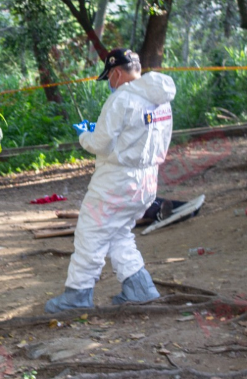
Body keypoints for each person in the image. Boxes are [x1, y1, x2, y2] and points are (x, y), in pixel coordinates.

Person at [45, 49, 176, 313]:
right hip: (147, 180)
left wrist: (85, 135)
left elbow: (100, 144)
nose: (110, 84)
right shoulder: (162, 101)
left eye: (109, 78)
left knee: (89, 233)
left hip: (117, 182)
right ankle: (140, 289)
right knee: (119, 233)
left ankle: (77, 296)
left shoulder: (122, 100)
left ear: (116, 73)